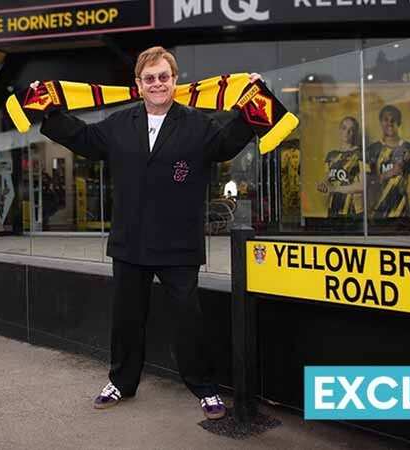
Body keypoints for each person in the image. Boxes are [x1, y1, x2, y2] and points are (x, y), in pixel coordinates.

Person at [40, 46, 259, 420]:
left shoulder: (197, 124)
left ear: (174, 81)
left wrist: (256, 100)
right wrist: (48, 110)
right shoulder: (119, 124)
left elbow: (226, 145)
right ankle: (121, 382)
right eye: (149, 78)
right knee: (126, 319)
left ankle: (205, 388)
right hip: (130, 241)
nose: (157, 83)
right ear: (138, 84)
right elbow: (84, 140)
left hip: (179, 243)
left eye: (163, 77)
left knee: (189, 319)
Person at [367, 105, 410, 218]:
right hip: (377, 214)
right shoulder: (372, 150)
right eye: (386, 119)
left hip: (403, 215)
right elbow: (367, 183)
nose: (390, 123)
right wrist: (390, 173)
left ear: (399, 122)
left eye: (394, 119)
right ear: (380, 122)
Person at [316, 116, 364, 217]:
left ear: (355, 133)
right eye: (344, 128)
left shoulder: (360, 154)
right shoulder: (331, 155)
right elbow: (327, 178)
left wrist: (334, 189)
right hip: (333, 208)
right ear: (339, 130)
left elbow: (362, 186)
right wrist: (322, 185)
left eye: (351, 130)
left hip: (353, 211)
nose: (347, 132)